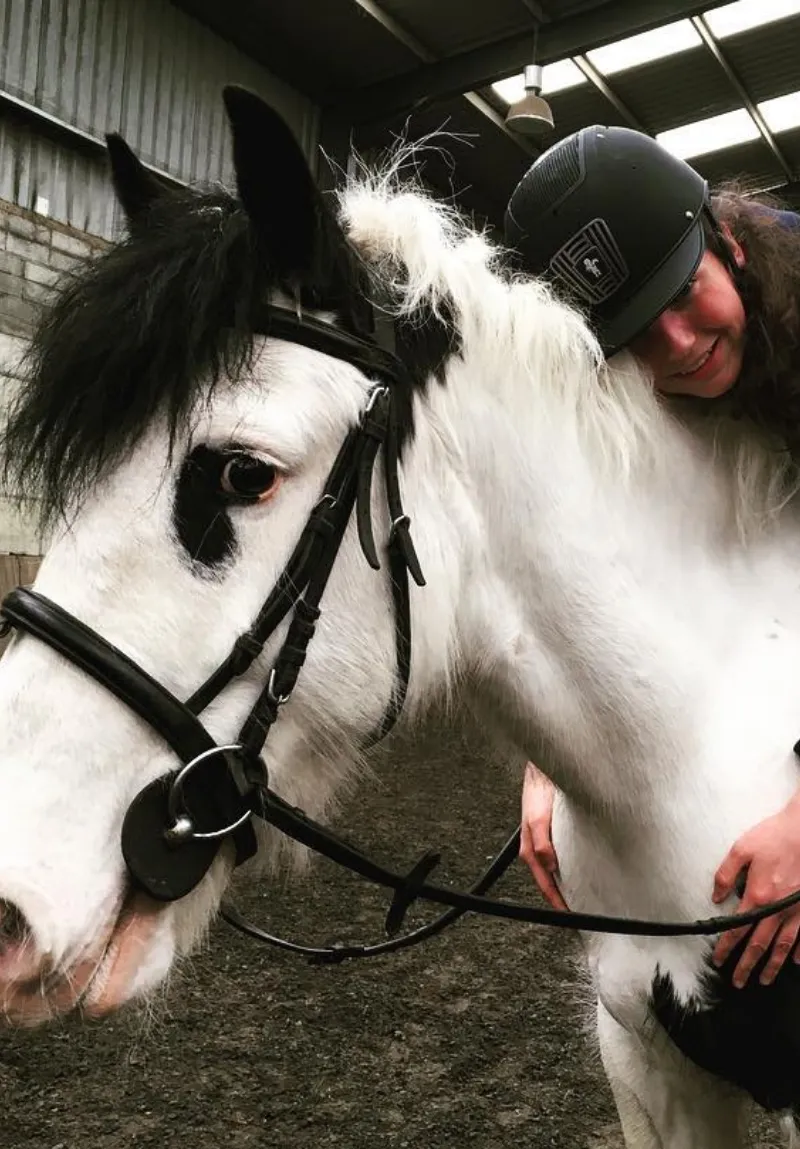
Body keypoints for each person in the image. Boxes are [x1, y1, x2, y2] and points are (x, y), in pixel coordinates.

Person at [504, 124, 800, 991]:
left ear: (728, 240)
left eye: (684, 291)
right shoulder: (632, 392)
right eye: (634, 332)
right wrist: (546, 763)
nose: (674, 344)